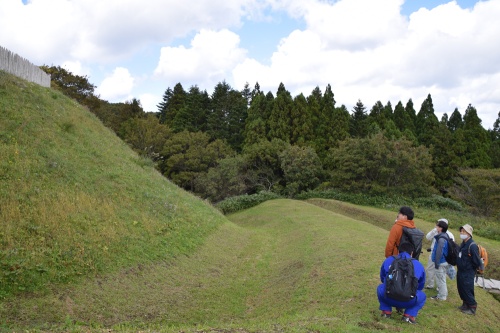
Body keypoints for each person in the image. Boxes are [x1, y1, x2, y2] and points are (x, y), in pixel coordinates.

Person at [377, 242, 427, 324]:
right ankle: (409, 316)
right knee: (423, 296)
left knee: (380, 288)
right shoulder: (418, 264)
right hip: (409, 300)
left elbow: (383, 278)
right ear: (411, 253)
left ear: (398, 251)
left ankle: (386, 312)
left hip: (388, 296)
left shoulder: (389, 260)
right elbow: (420, 285)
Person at [456, 224, 484, 315]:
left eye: (464, 231)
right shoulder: (463, 244)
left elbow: (476, 261)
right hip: (461, 271)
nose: (461, 233)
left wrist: (469, 267)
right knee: (461, 288)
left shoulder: (472, 246)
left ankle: (472, 307)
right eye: (461, 231)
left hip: (467, 272)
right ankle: (465, 304)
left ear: (469, 233)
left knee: (467, 289)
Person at [425, 218, 455, 290]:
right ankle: (430, 284)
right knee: (430, 269)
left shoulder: (450, 234)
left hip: (443, 257)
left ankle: (439, 287)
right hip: (433, 253)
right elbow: (427, 237)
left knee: (441, 272)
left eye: (438, 224)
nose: (436, 226)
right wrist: (433, 231)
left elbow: (451, 246)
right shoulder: (435, 232)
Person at [429, 220, 451, 300]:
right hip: (444, 261)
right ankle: (442, 294)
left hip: (441, 262)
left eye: (437, 226)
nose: (436, 227)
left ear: (440, 228)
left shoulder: (441, 239)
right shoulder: (445, 236)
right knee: (442, 279)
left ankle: (442, 296)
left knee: (440, 280)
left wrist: (436, 263)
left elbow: (439, 252)